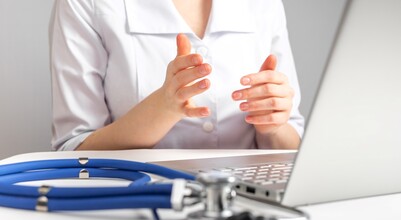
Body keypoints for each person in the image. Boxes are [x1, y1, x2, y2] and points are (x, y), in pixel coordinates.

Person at [50, 0, 304, 151]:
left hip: (252, 207)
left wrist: (273, 125)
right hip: (136, 205)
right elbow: (74, 147)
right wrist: (162, 110)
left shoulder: (264, 5)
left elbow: (294, 142)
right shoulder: (85, 4)